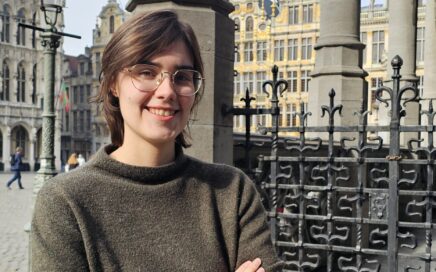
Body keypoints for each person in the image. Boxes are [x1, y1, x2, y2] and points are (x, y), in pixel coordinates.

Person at [31, 10, 282, 272]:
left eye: (182, 77)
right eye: (147, 72)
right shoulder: (65, 202)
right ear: (113, 83)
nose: (166, 91)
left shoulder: (232, 191)